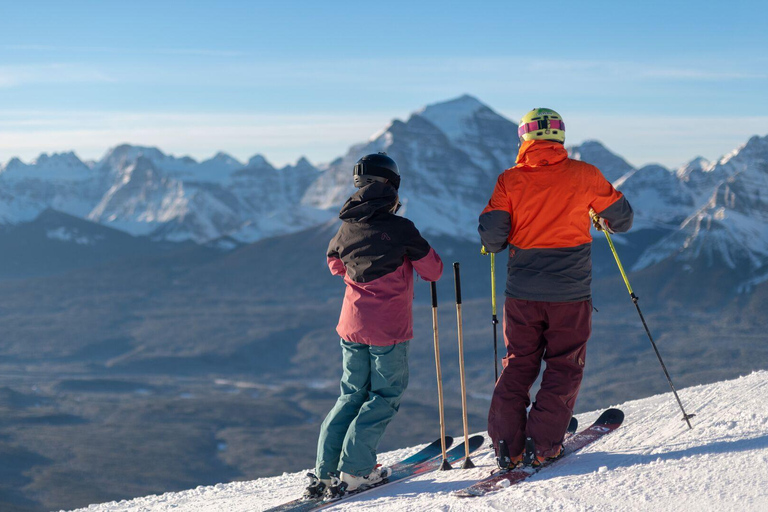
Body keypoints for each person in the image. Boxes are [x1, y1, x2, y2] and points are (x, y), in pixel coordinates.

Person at [478, 108, 633, 469]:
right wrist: (595, 214)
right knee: (564, 365)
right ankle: (544, 444)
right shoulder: (585, 174)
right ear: (560, 137)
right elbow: (622, 219)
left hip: (522, 293)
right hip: (570, 293)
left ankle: (506, 445)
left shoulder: (509, 180)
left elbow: (493, 237)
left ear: (524, 138)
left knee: (518, 364)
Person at [306, 152, 443, 497]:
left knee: (351, 395)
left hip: (351, 326)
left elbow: (335, 265)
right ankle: (356, 471)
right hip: (389, 331)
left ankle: (324, 473)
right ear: (392, 186)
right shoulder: (401, 229)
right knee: (384, 397)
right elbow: (434, 271)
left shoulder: (346, 226)